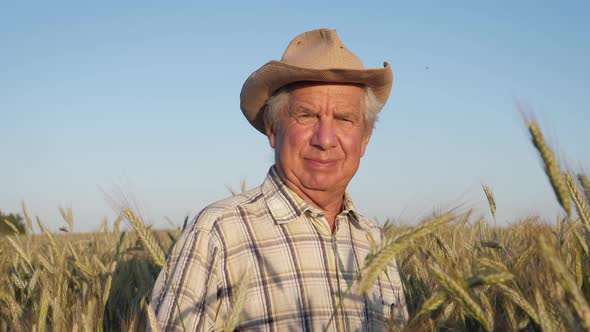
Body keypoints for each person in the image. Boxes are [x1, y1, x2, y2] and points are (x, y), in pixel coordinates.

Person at [150, 28, 408, 331]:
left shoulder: (374, 240)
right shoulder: (219, 232)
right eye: (307, 115)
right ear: (273, 128)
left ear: (364, 139)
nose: (325, 140)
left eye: (344, 119)